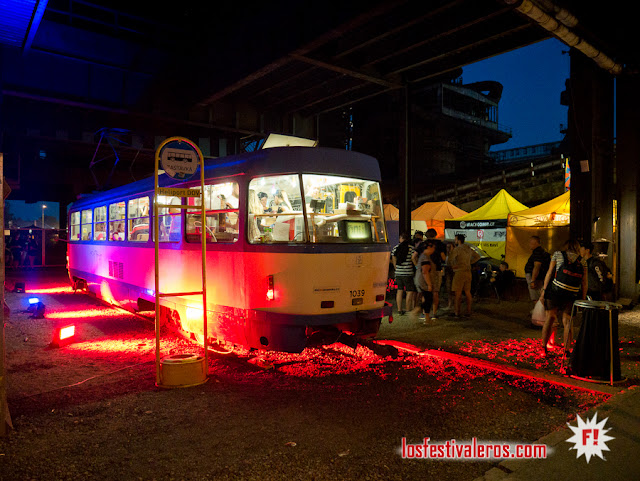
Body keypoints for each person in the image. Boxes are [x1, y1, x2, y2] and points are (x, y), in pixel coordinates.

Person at [539, 239, 587, 357]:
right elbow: (585, 282)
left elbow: (550, 273)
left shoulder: (558, 254)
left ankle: (543, 348)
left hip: (555, 291)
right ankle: (566, 351)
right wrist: (583, 297)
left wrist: (544, 291)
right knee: (567, 322)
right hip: (572, 294)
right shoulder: (583, 261)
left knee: (549, 318)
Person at [448, 234, 481, 317]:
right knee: (467, 292)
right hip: (468, 272)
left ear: (458, 240)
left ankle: (457, 312)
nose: (455, 241)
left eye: (455, 239)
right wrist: (469, 263)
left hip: (459, 272)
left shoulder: (457, 249)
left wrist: (451, 254)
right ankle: (469, 311)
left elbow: (450, 260)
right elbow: (477, 256)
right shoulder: (468, 248)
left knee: (457, 293)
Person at [409, 241, 436, 322]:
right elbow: (425, 271)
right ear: (428, 247)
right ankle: (417, 311)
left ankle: (426, 317)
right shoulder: (425, 257)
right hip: (423, 281)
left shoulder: (423, 256)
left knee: (427, 298)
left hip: (420, 280)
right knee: (428, 298)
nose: (434, 249)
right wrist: (429, 284)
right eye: (433, 247)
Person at [391, 232, 416, 315]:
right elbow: (414, 258)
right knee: (409, 291)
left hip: (398, 273)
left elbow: (393, 257)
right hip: (408, 273)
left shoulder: (396, 248)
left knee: (400, 290)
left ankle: (399, 309)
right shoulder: (411, 248)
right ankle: (408, 309)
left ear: (401, 238)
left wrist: (395, 267)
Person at [425, 228, 446, 319]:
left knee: (425, 292)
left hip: (425, 270)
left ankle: (425, 313)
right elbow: (443, 258)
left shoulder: (423, 244)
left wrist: (417, 266)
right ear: (435, 235)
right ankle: (434, 313)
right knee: (435, 292)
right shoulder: (440, 244)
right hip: (437, 270)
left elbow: (414, 256)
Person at [524, 236, 550, 305]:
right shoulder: (542, 251)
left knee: (535, 296)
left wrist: (533, 280)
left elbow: (537, 266)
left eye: (530, 243)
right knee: (538, 295)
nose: (529, 244)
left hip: (535, 277)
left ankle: (539, 312)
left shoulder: (537, 252)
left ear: (535, 243)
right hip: (539, 277)